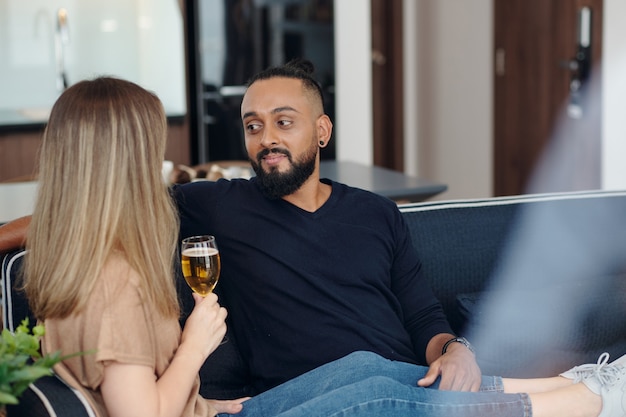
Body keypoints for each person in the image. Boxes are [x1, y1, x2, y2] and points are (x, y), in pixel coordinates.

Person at [1, 69, 625, 417]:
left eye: (284, 122)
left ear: (321, 131)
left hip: (385, 373)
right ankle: (594, 398)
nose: (266, 138)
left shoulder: (378, 214)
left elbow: (424, 313)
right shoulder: (213, 209)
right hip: (301, 392)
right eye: (252, 126)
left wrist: (456, 348)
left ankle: (589, 383)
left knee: (372, 372)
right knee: (382, 391)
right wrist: (195, 349)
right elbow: (99, 199)